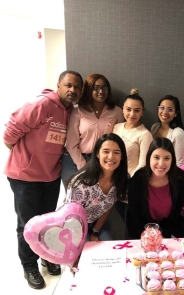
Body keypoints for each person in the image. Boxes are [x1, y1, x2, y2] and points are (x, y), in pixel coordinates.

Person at [4, 70, 83, 289]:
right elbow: (10, 132)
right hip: (25, 177)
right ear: (58, 85)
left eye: (77, 87)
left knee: (48, 222)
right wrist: (21, 153)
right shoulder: (41, 104)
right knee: (27, 225)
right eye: (68, 85)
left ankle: (46, 257)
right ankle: (29, 266)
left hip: (50, 177)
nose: (72, 90)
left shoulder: (70, 111)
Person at [61, 73, 124, 187]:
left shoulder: (117, 111)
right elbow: (71, 144)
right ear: (89, 89)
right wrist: (83, 165)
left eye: (104, 88)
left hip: (102, 161)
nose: (101, 91)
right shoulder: (77, 110)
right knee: (74, 201)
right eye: (96, 88)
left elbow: (119, 141)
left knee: (96, 200)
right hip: (75, 160)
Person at [65, 133, 128, 241]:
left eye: (116, 152)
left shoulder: (121, 179)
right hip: (73, 226)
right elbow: (72, 217)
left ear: (121, 156)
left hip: (97, 223)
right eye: (106, 151)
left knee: (107, 250)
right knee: (87, 254)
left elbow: (108, 206)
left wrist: (95, 231)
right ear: (98, 153)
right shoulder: (81, 183)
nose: (111, 156)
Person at [126, 137, 184, 239]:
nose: (161, 163)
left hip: (168, 231)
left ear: (172, 159)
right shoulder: (137, 179)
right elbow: (135, 214)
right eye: (156, 157)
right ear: (149, 157)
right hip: (140, 232)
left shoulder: (180, 178)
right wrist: (149, 236)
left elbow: (177, 210)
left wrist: (164, 234)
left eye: (167, 158)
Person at [112, 88, 153, 238]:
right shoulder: (116, 128)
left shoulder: (145, 134)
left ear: (142, 112)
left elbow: (143, 165)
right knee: (123, 222)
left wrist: (127, 183)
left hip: (131, 187)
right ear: (123, 109)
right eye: (128, 109)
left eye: (137, 110)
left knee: (132, 228)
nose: (132, 114)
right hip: (113, 184)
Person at [151, 95, 184, 167]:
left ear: (176, 113)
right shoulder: (155, 127)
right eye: (162, 108)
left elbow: (180, 164)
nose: (165, 112)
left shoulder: (178, 133)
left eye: (170, 110)